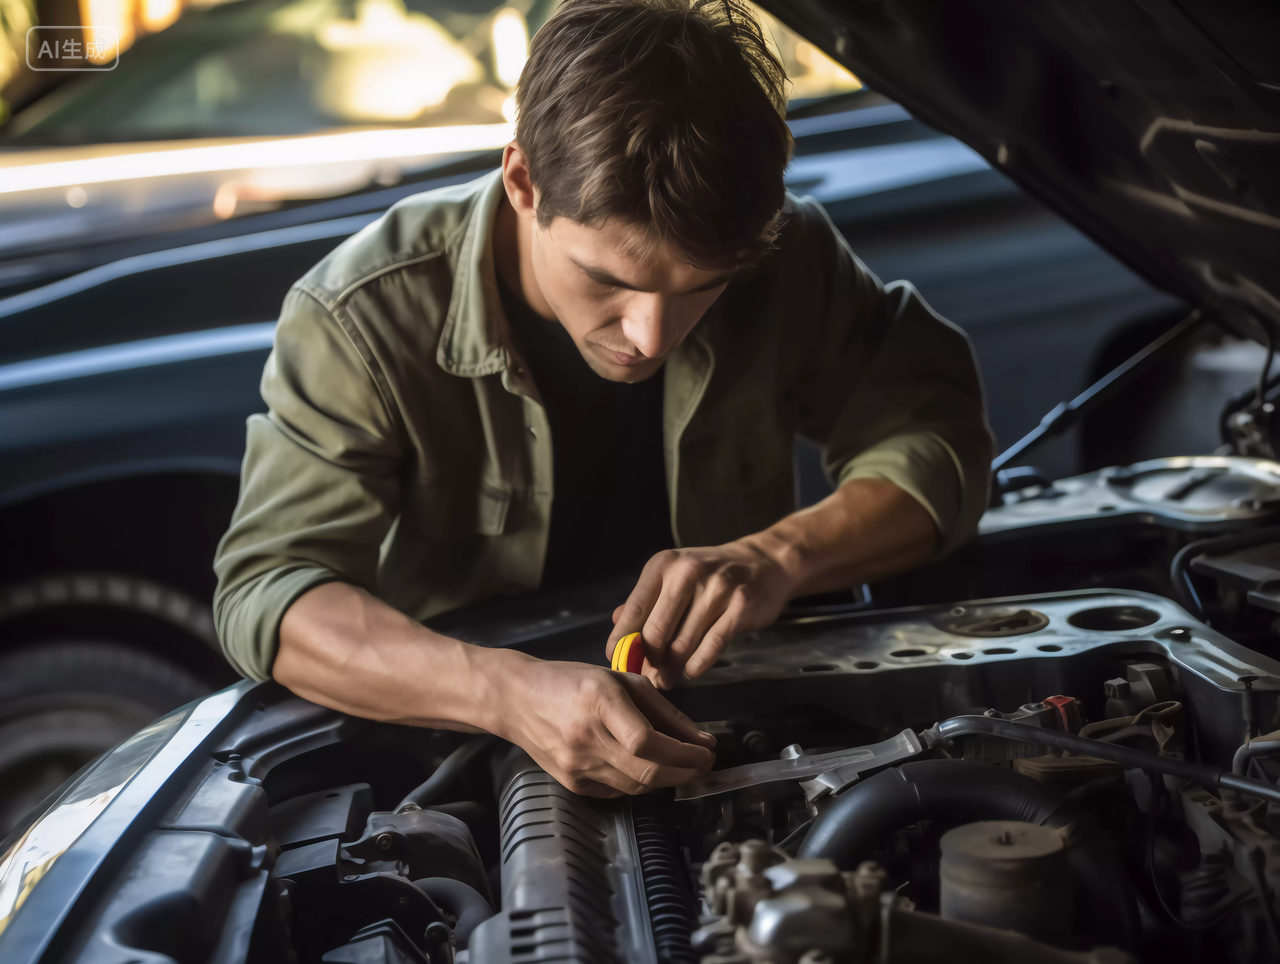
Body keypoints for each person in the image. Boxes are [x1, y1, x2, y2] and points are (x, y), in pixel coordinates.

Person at [213, 0, 993, 798]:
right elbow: (272, 590)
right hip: (462, 777)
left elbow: (936, 439)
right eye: (609, 280)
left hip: (737, 742)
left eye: (701, 289)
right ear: (523, 180)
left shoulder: (785, 257)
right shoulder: (361, 317)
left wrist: (777, 559)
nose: (652, 335)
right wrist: (504, 694)